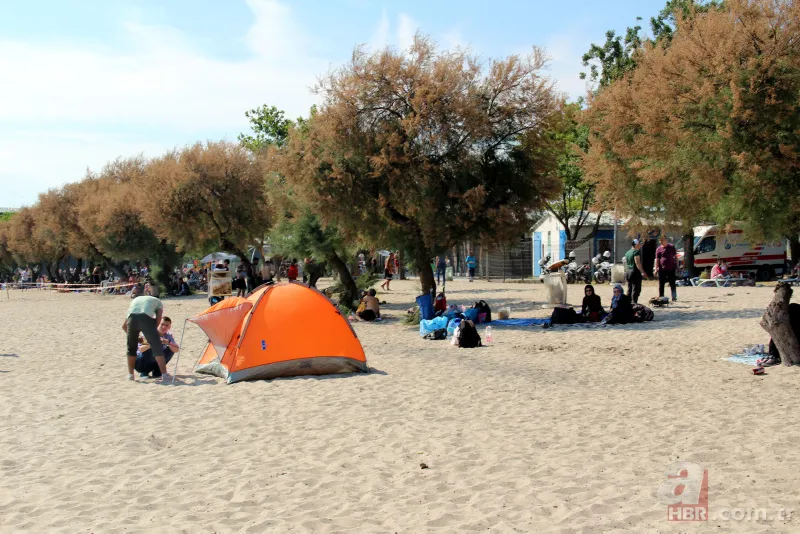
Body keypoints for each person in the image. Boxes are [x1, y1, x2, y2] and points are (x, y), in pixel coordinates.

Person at [123, 295, 171, 382]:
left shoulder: (135, 300)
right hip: (146, 318)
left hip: (131, 318)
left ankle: (130, 375)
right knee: (157, 347)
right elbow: (159, 317)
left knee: (131, 348)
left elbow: (124, 326)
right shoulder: (158, 302)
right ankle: (164, 374)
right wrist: (153, 332)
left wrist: (137, 338)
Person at [655, 235, 678, 301]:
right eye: (660, 240)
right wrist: (656, 269)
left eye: (662, 240)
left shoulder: (671, 247)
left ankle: (674, 297)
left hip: (671, 268)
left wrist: (677, 266)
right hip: (662, 269)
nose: (661, 242)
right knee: (661, 284)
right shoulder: (658, 249)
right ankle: (661, 296)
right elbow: (657, 260)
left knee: (672, 283)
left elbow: (675, 257)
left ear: (665, 240)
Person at [624, 239, 647, 304]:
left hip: (628, 271)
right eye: (639, 244)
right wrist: (642, 272)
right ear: (636, 244)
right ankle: (634, 302)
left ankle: (628, 302)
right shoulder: (636, 252)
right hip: (634, 272)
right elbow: (637, 262)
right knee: (636, 289)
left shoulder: (627, 253)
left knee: (629, 288)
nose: (640, 245)